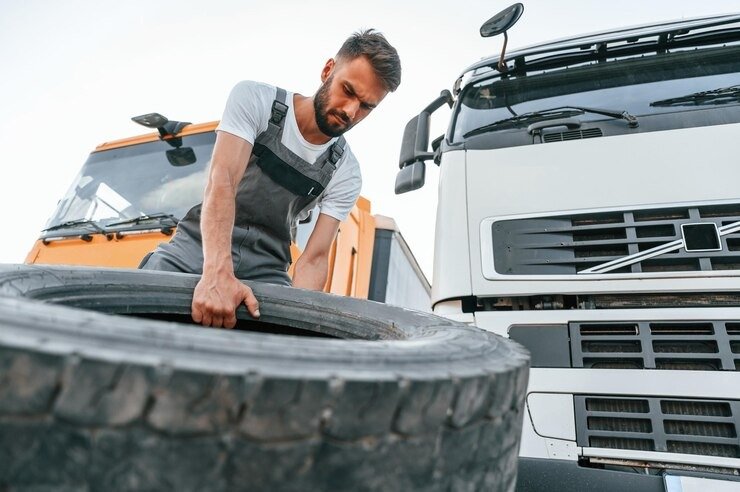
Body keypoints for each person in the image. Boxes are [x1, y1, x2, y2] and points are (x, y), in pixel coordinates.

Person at [140, 29, 401, 329]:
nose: (351, 111)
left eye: (366, 106)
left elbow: (314, 259)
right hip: (196, 249)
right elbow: (221, 182)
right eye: (348, 91)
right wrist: (216, 273)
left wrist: (301, 325)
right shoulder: (255, 100)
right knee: (144, 298)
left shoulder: (346, 171)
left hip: (268, 269)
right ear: (328, 70)